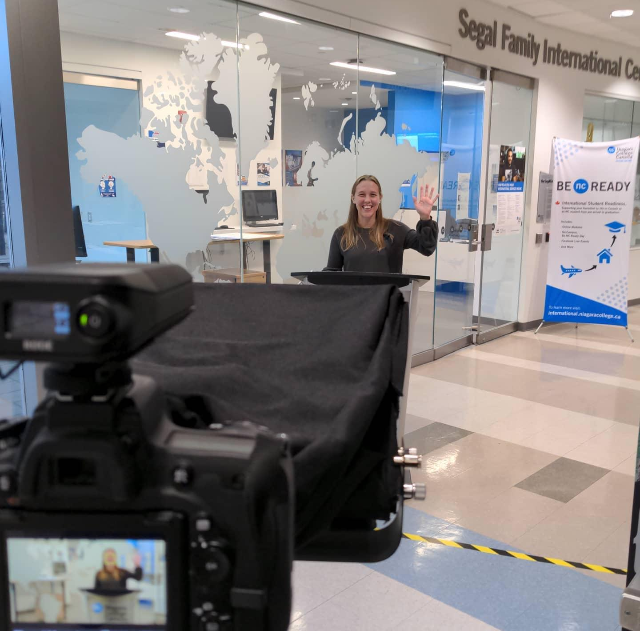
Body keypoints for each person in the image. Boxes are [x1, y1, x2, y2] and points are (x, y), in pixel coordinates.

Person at [325, 174, 438, 273]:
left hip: (387, 297)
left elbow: (426, 248)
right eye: (362, 194)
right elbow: (332, 274)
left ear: (380, 198)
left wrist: (425, 218)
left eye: (373, 195)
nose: (367, 200)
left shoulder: (396, 229)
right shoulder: (341, 234)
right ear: (353, 198)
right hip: (354, 297)